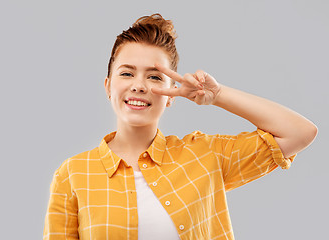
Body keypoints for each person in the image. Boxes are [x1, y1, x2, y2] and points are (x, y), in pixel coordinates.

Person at [43, 13, 317, 240]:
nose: (139, 85)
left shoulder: (205, 156)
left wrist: (217, 95)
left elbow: (299, 132)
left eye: (154, 77)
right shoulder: (72, 175)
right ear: (108, 86)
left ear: (172, 94)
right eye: (127, 73)